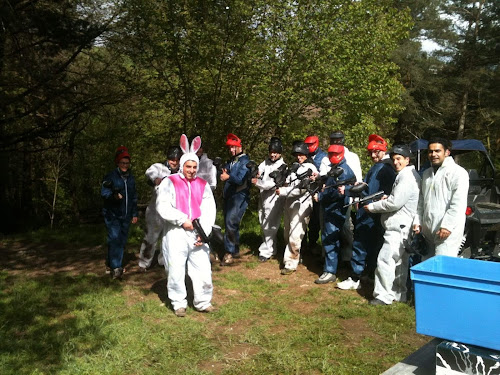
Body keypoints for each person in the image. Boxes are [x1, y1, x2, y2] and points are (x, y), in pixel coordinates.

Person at [156, 135, 217, 317]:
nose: (191, 170)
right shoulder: (170, 181)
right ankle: (178, 303)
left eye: (194, 166)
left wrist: (203, 232)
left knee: (203, 269)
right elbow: (163, 205)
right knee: (175, 269)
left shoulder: (202, 184)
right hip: (176, 232)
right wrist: (181, 219)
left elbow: (208, 209)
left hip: (197, 232)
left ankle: (203, 301)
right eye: (188, 166)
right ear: (182, 166)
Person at [363, 145, 421, 305]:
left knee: (385, 260)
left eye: (399, 159)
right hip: (404, 225)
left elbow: (395, 203)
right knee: (400, 262)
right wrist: (388, 197)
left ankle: (383, 296)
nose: (395, 162)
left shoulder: (406, 177)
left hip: (399, 226)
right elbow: (399, 198)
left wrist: (373, 207)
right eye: (393, 159)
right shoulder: (407, 175)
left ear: (407, 160)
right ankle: (399, 293)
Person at [337, 134, 396, 290]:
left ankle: (356, 277)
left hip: (371, 212)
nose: (372, 155)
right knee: (372, 246)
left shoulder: (385, 168)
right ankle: (367, 275)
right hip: (370, 210)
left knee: (361, 244)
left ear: (383, 150)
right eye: (370, 152)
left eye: (376, 152)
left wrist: (351, 190)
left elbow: (375, 191)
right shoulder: (381, 167)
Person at [413, 137, 469, 258]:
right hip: (428, 232)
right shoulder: (427, 174)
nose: (433, 154)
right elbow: (422, 200)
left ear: (447, 152)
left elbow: (458, 204)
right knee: (427, 268)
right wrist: (418, 221)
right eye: (430, 151)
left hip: (448, 232)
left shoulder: (458, 173)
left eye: (437, 151)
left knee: (442, 269)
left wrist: (447, 226)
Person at [314, 144, 355, 284]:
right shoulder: (338, 168)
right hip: (332, 208)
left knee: (330, 238)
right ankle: (333, 267)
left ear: (340, 155)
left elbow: (336, 193)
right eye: (330, 154)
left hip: (334, 208)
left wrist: (320, 197)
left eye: (333, 154)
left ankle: (330, 271)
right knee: (331, 237)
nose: (330, 157)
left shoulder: (342, 171)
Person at [138, 145, 182, 271]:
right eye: (172, 159)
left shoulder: (180, 173)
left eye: (177, 159)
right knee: (151, 237)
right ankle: (144, 263)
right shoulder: (159, 167)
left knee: (168, 237)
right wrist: (156, 179)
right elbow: (150, 173)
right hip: (155, 211)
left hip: (172, 210)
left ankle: (164, 261)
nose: (174, 162)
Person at [277, 141, 318, 275]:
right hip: (290, 203)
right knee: (287, 232)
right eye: (297, 154)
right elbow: (288, 181)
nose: (299, 157)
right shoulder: (295, 167)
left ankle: (290, 263)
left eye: (301, 154)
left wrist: (282, 191)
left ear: (306, 154)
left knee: (295, 234)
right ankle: (295, 256)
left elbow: (300, 190)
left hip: (302, 204)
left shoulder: (310, 168)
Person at [101, 146, 138, 280]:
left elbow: (133, 197)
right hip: (112, 214)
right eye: (122, 163)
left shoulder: (131, 178)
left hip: (126, 214)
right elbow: (104, 193)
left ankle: (114, 263)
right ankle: (116, 267)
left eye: (127, 163)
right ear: (117, 162)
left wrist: (134, 214)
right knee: (114, 238)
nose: (125, 165)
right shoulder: (110, 176)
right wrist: (114, 197)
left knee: (121, 240)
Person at [326, 130, 363, 265]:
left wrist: (356, 198)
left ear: (343, 140)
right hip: (330, 197)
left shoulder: (352, 156)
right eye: (333, 140)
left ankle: (348, 257)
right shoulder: (327, 157)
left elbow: (357, 178)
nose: (336, 142)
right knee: (330, 230)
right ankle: (331, 258)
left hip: (347, 196)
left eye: (338, 140)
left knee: (346, 227)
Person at [252, 137, 286, 262]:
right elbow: (259, 170)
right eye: (271, 151)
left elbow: (270, 184)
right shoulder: (266, 162)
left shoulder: (282, 166)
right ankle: (272, 247)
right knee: (263, 221)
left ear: (280, 152)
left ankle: (266, 251)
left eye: (275, 152)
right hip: (263, 196)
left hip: (274, 198)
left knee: (270, 224)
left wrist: (256, 182)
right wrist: (256, 172)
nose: (273, 154)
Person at [220, 133, 251, 266]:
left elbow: (240, 180)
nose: (231, 150)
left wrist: (228, 177)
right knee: (232, 223)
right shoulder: (232, 160)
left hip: (239, 196)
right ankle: (235, 249)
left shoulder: (245, 161)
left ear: (240, 147)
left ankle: (229, 252)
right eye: (230, 148)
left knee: (230, 222)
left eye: (234, 147)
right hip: (229, 196)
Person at [303, 135, 328, 252]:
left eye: (311, 145)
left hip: (317, 192)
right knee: (302, 219)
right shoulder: (303, 155)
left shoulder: (324, 157)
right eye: (307, 145)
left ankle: (313, 244)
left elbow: (325, 175)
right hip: (304, 192)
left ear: (317, 144)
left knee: (315, 221)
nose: (308, 147)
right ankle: (302, 245)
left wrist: (317, 178)